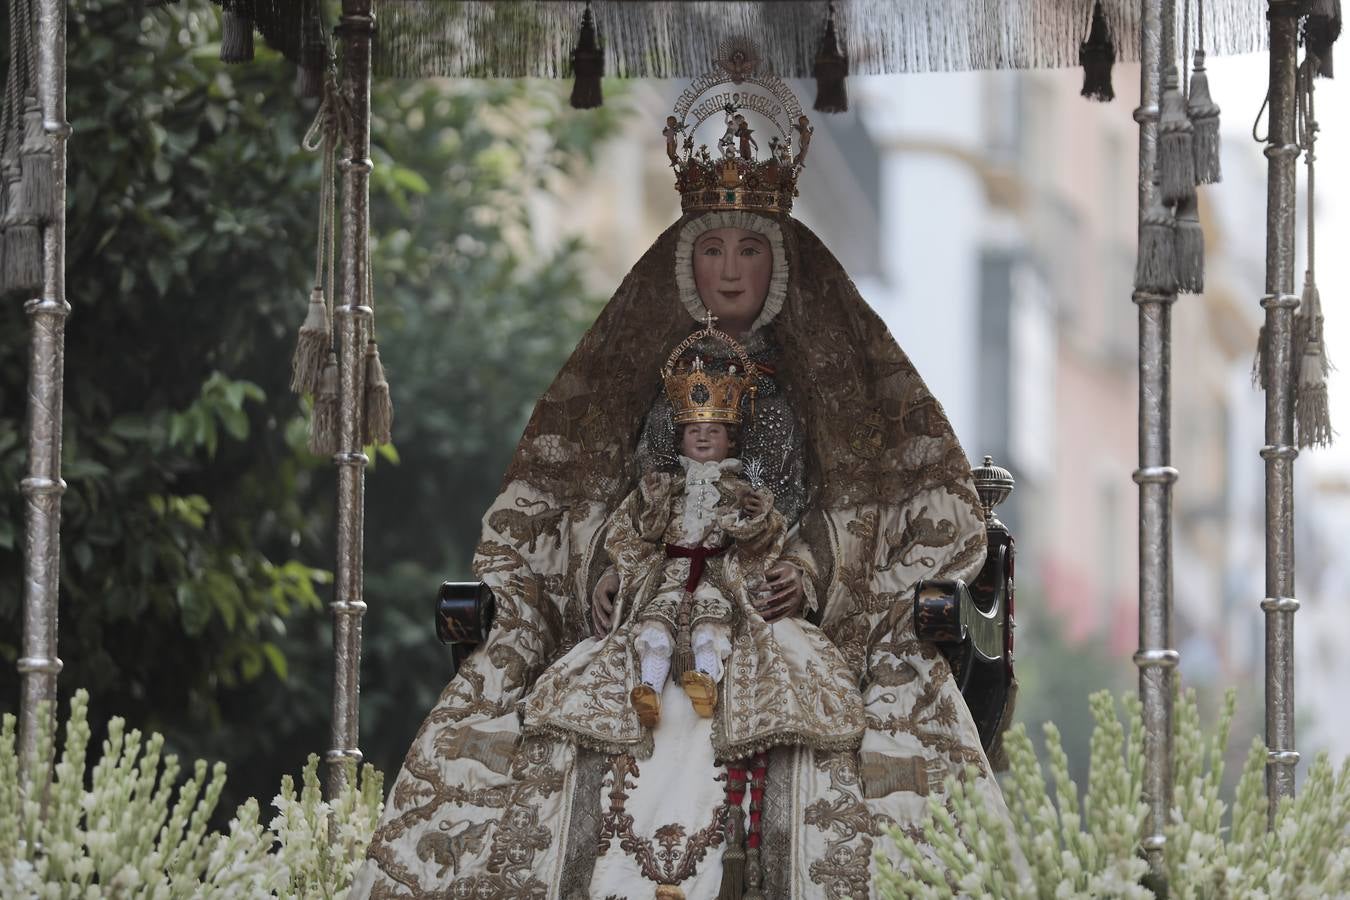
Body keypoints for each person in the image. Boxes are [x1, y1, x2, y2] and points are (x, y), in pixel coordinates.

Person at [353, 57, 1005, 900]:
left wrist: (804, 575)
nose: (728, 271)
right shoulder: (642, 382)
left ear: (777, 261)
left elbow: (856, 510)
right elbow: (589, 502)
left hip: (773, 618)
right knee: (573, 713)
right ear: (683, 262)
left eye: (745, 250)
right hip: (650, 611)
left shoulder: (824, 381)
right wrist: (605, 574)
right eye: (709, 250)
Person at [521, 332, 865, 762]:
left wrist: (754, 518)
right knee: (652, 629)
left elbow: (767, 538)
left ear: (732, 440)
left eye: (715, 431)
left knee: (711, 628)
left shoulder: (741, 490)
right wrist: (620, 565)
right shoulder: (664, 488)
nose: (704, 440)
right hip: (666, 579)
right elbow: (634, 532)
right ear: (679, 439)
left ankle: (705, 676)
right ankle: (648, 685)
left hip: (722, 580)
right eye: (695, 432)